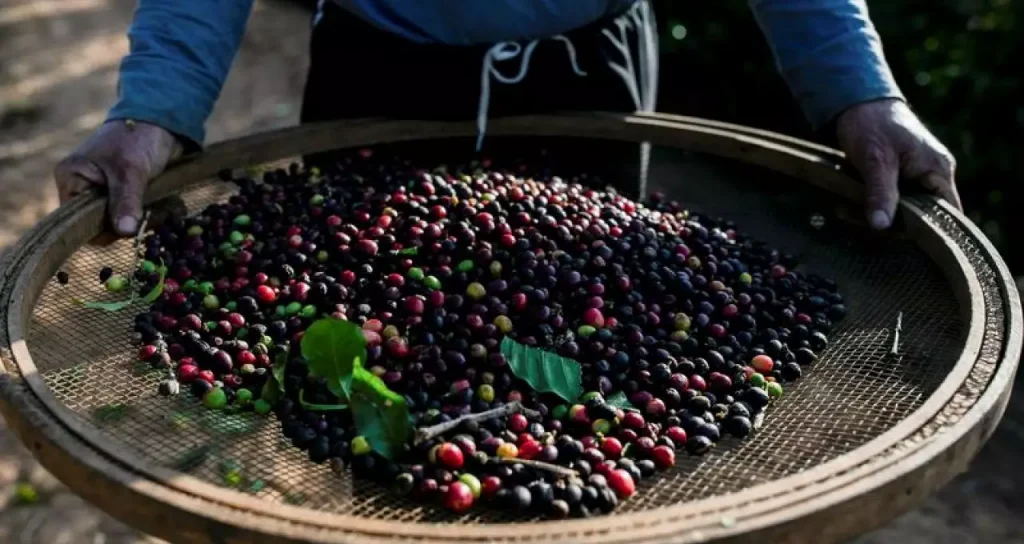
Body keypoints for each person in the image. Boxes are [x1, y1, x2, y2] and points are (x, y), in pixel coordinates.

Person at [55, 0, 960, 238]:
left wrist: (862, 94)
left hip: (585, 83)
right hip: (382, 74)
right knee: (373, 370)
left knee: (591, 371)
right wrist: (153, 110)